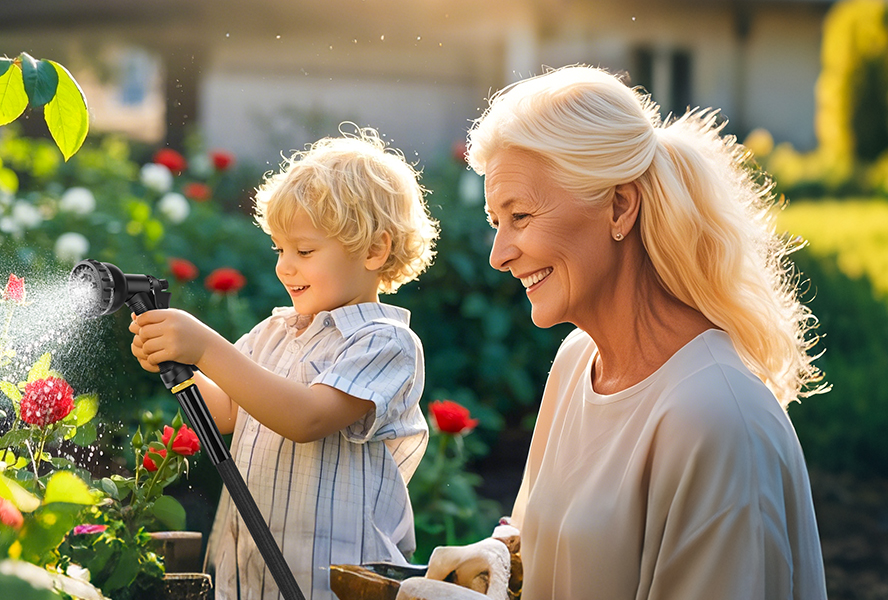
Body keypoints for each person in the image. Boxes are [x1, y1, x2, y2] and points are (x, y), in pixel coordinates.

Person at [417, 65, 827, 599]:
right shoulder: (576, 361)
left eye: (520, 216)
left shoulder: (717, 421)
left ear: (619, 206)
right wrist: (503, 562)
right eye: (498, 222)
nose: (499, 255)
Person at [129, 128, 440, 600]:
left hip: (330, 582)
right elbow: (224, 413)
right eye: (280, 249)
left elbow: (306, 416)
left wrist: (206, 348)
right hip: (251, 575)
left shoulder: (385, 342)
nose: (284, 266)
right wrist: (174, 361)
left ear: (374, 251)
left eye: (304, 250)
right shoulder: (274, 333)